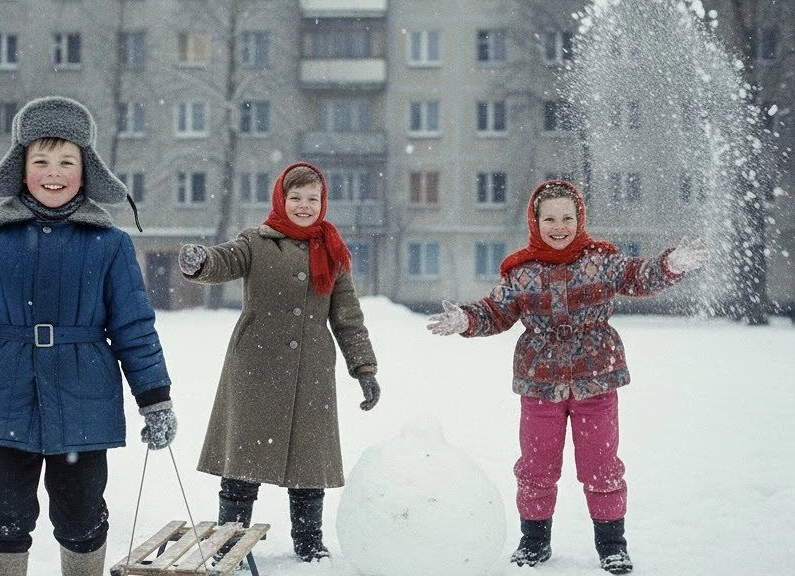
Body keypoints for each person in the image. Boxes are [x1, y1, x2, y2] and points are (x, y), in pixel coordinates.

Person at [0, 96, 177, 576]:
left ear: (86, 171)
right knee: (3, 517)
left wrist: (156, 400)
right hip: (8, 395)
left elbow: (134, 329)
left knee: (82, 518)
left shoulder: (111, 245)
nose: (53, 172)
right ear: (21, 170)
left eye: (67, 161)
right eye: (40, 161)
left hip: (85, 396)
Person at [426, 179, 709, 575]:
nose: (558, 226)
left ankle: (612, 544)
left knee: (601, 465)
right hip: (540, 383)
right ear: (535, 221)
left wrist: (669, 265)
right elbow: (497, 311)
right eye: (549, 218)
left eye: (567, 217)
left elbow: (638, 276)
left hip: (596, 377)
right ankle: (534, 542)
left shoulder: (600, 261)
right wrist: (466, 320)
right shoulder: (520, 272)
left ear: (579, 220)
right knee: (537, 466)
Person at [177, 161, 381, 563]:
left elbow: (347, 316)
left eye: (313, 198)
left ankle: (309, 545)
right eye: (296, 198)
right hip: (255, 367)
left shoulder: (333, 252)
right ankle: (228, 543)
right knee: (241, 465)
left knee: (309, 466)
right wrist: (200, 262)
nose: (304, 205)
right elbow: (223, 261)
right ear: (280, 199)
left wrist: (365, 368)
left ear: (323, 203)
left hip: (311, 371)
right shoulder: (256, 241)